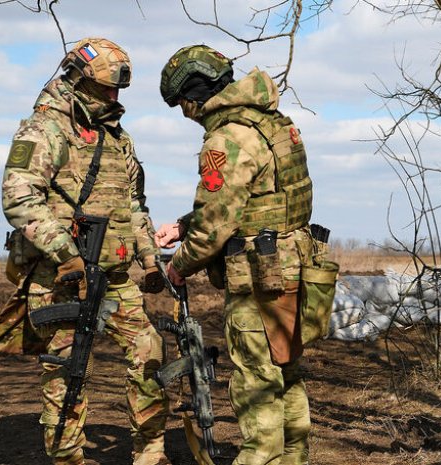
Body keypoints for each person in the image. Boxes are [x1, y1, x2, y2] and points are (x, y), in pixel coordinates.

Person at [0, 37, 169, 465]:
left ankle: (151, 452)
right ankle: (68, 458)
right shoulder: (45, 127)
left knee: (150, 351)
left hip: (117, 274)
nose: (115, 95)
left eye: (119, 87)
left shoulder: (117, 137)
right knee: (68, 371)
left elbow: (133, 206)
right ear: (80, 78)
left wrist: (149, 261)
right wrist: (66, 255)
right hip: (64, 276)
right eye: (108, 86)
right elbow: (19, 195)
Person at [155, 44, 324, 465]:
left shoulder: (227, 137)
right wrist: (182, 225)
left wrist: (180, 266)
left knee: (257, 383)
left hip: (258, 276)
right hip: (293, 267)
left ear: (194, 96)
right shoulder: (272, 123)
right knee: (286, 373)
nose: (185, 114)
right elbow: (259, 201)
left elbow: (217, 220)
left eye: (182, 104)